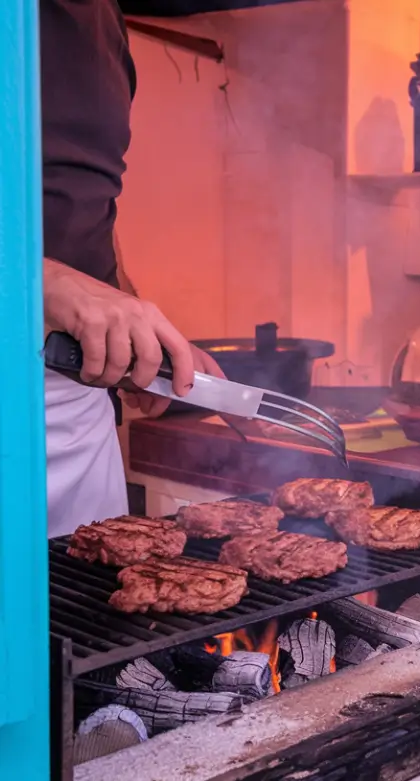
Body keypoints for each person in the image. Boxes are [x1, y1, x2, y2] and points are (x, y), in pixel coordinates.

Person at [40, 0, 222, 536]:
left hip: (71, 401)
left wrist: (134, 322)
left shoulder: (102, 16)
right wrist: (43, 282)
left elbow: (86, 203)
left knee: (91, 608)